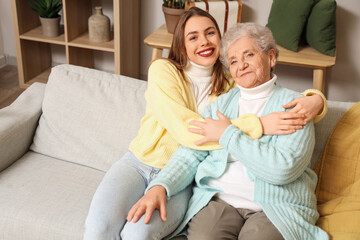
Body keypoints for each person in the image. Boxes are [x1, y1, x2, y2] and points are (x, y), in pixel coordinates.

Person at [84, 8, 326, 240]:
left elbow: (260, 86)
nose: (204, 42)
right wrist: (258, 124)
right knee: (99, 227)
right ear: (182, 44)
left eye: (210, 33)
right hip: (142, 163)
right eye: (193, 37)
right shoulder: (163, 70)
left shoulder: (231, 83)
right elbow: (191, 135)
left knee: (138, 232)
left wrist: (317, 100)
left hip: (185, 177)